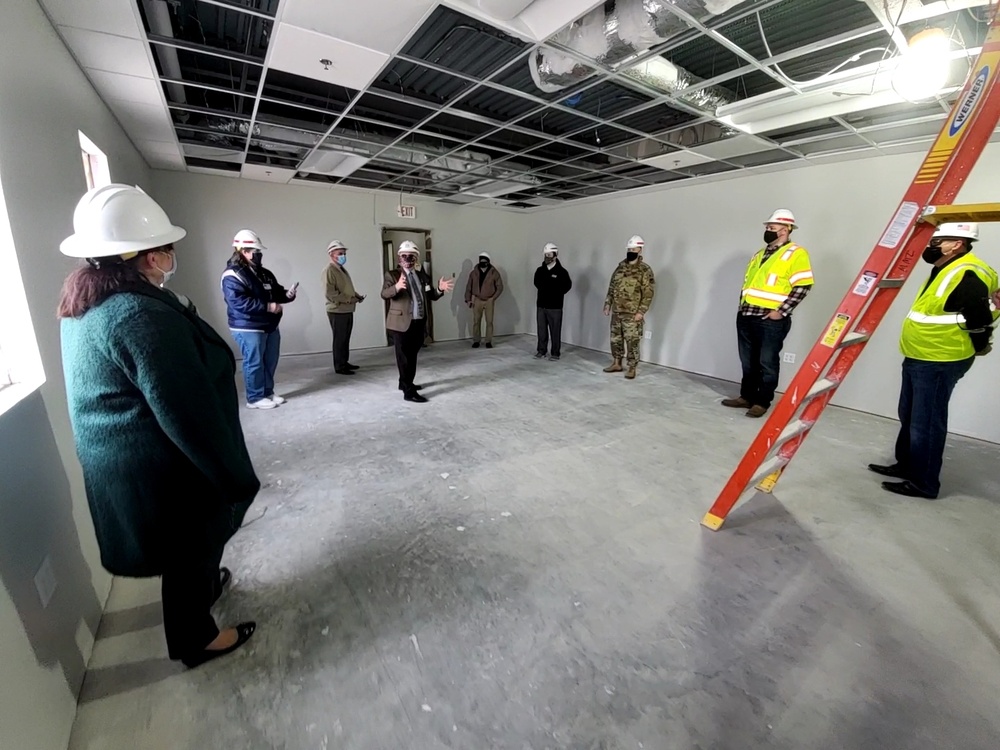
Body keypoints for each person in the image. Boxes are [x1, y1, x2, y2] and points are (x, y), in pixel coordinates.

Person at [58, 184, 258, 669]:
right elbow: (185, 410)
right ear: (144, 257)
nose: (171, 256)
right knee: (189, 543)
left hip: (131, 457)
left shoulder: (89, 301)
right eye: (165, 248)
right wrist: (232, 473)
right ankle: (195, 640)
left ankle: (209, 586)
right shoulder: (139, 315)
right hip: (162, 464)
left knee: (195, 548)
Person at [869, 222, 998, 499]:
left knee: (925, 422)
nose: (933, 244)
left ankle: (923, 483)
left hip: (940, 358)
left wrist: (980, 345)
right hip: (920, 354)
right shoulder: (944, 268)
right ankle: (906, 465)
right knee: (910, 415)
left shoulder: (967, 273)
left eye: (940, 240)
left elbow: (979, 318)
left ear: (958, 244)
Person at [722, 209, 814, 418]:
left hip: (769, 320)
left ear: (786, 229)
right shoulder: (759, 254)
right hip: (746, 315)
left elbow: (803, 286)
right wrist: (741, 309)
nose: (767, 230)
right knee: (748, 361)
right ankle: (747, 396)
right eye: (767, 227)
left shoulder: (796, 253)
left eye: (771, 228)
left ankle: (762, 401)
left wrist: (780, 312)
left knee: (767, 362)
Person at [221, 229, 297, 409]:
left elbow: (276, 292)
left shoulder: (264, 273)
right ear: (243, 252)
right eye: (256, 252)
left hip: (269, 325)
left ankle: (267, 392)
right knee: (254, 362)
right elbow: (238, 302)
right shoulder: (232, 275)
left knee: (270, 360)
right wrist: (267, 306)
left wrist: (288, 294)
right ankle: (254, 398)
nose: (259, 255)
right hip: (248, 326)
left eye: (259, 252)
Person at [382, 241, 455, 402]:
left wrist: (440, 289)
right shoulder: (393, 275)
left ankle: (405, 382)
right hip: (401, 324)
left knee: (412, 356)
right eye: (404, 256)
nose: (408, 259)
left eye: (411, 256)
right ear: (399, 258)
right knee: (404, 358)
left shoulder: (422, 276)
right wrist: (397, 287)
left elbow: (431, 297)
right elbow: (384, 293)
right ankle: (408, 392)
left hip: (418, 323)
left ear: (416, 258)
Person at [603, 234, 655, 379]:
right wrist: (608, 304)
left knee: (632, 341)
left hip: (632, 314)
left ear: (640, 250)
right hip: (617, 311)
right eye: (629, 248)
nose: (631, 251)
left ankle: (632, 367)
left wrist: (641, 311)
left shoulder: (644, 270)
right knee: (615, 339)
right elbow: (612, 287)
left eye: (634, 248)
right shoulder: (619, 268)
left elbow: (648, 293)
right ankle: (617, 363)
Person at [323, 239, 364, 376]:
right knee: (339, 339)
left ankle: (344, 362)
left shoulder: (341, 269)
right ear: (331, 254)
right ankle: (339, 366)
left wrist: (356, 296)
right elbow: (330, 293)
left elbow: (346, 289)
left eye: (344, 253)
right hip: (337, 310)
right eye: (340, 253)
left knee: (345, 338)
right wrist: (349, 299)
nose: (343, 256)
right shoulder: (329, 271)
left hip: (347, 309)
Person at [534, 242, 573, 361]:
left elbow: (567, 286)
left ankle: (555, 353)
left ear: (555, 255)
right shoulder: (540, 270)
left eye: (549, 255)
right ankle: (541, 350)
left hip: (555, 307)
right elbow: (536, 283)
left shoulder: (562, 272)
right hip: (541, 306)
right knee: (541, 330)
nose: (547, 257)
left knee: (555, 331)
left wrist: (555, 292)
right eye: (545, 254)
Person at [465, 251, 504, 349]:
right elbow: (468, 287)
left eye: (484, 260)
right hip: (477, 299)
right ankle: (476, 340)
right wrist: (468, 299)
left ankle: (488, 341)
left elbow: (500, 287)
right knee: (476, 321)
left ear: (488, 261)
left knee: (489, 321)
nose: (482, 262)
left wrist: (493, 298)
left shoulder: (494, 273)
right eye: (480, 260)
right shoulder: (474, 273)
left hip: (489, 300)